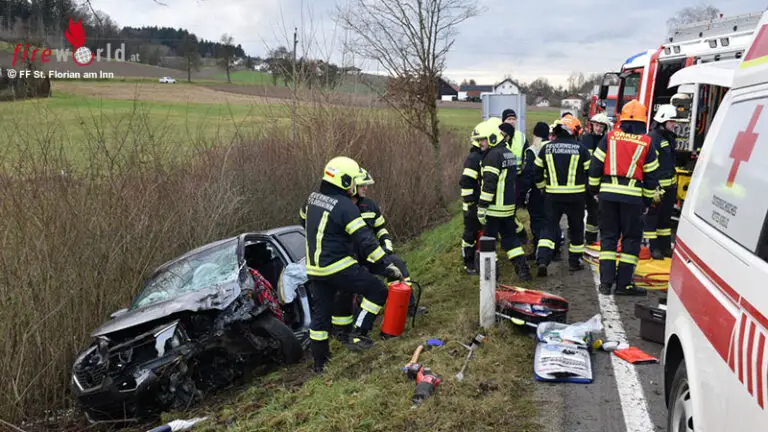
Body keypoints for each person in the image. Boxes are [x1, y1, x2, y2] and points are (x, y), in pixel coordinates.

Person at [303, 156, 403, 372]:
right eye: (356, 182)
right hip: (338, 265)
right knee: (377, 290)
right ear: (346, 181)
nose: (358, 186)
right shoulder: (346, 207)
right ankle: (359, 333)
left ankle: (320, 364)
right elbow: (365, 241)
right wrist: (386, 266)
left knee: (320, 317)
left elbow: (303, 219)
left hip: (314, 268)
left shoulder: (311, 199)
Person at [588, 100, 660, 296]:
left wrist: (594, 190)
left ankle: (605, 284)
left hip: (607, 197)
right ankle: (624, 285)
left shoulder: (610, 137)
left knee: (609, 239)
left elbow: (595, 166)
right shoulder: (647, 142)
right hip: (633, 199)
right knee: (630, 240)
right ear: (643, 120)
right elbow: (651, 176)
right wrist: (647, 201)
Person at [533, 118, 591, 275]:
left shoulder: (547, 148)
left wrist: (542, 188)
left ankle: (543, 260)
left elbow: (537, 172)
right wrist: (587, 190)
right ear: (573, 130)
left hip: (552, 196)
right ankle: (575, 261)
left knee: (549, 228)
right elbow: (590, 173)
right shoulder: (581, 148)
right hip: (576, 197)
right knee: (577, 229)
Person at [476, 120, 532, 281]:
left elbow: (489, 184)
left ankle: (490, 276)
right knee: (510, 239)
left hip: (494, 208)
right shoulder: (508, 153)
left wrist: (482, 207)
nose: (480, 143)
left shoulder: (492, 156)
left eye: (483, 139)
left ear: (493, 138)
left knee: (488, 242)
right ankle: (523, 270)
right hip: (508, 208)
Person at [518, 121, 561, 260]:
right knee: (552, 220)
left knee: (537, 220)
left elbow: (528, 174)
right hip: (554, 190)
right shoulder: (555, 147)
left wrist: (521, 195)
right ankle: (555, 250)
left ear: (536, 135)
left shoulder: (533, 150)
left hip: (538, 190)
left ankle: (539, 250)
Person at [643, 104, 678, 259]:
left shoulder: (669, 138)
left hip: (669, 187)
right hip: (657, 188)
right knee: (653, 216)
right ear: (663, 121)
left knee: (665, 217)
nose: (674, 124)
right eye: (671, 121)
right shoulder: (653, 138)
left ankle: (665, 247)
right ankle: (654, 248)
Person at [459, 120, 491, 274]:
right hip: (472, 205)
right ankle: (468, 263)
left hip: (482, 203)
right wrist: (470, 202)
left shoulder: (486, 156)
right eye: (482, 140)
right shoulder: (474, 158)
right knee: (470, 235)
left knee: (483, 233)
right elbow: (465, 181)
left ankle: (481, 261)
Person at [581, 112, 612, 244]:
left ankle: (591, 239)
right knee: (578, 211)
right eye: (597, 126)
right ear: (592, 125)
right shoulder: (584, 139)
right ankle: (574, 236)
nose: (599, 129)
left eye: (601, 127)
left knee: (595, 212)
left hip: (599, 182)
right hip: (583, 181)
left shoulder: (606, 142)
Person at [499, 111, 529, 244]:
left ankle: (516, 232)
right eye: (509, 119)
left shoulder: (521, 137)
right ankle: (514, 232)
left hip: (516, 178)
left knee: (511, 208)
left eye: (514, 119)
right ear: (503, 121)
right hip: (501, 179)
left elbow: (527, 157)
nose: (511, 121)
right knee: (504, 209)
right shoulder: (497, 136)